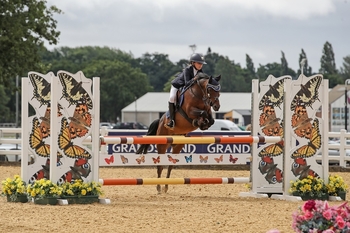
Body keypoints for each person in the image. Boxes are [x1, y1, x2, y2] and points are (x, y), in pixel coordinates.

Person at [166, 53, 207, 129]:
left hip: (186, 88)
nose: (200, 65)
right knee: (172, 98)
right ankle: (171, 120)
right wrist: (195, 78)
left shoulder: (200, 71)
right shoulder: (187, 70)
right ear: (193, 62)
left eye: (202, 64)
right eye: (199, 63)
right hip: (177, 86)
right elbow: (187, 83)